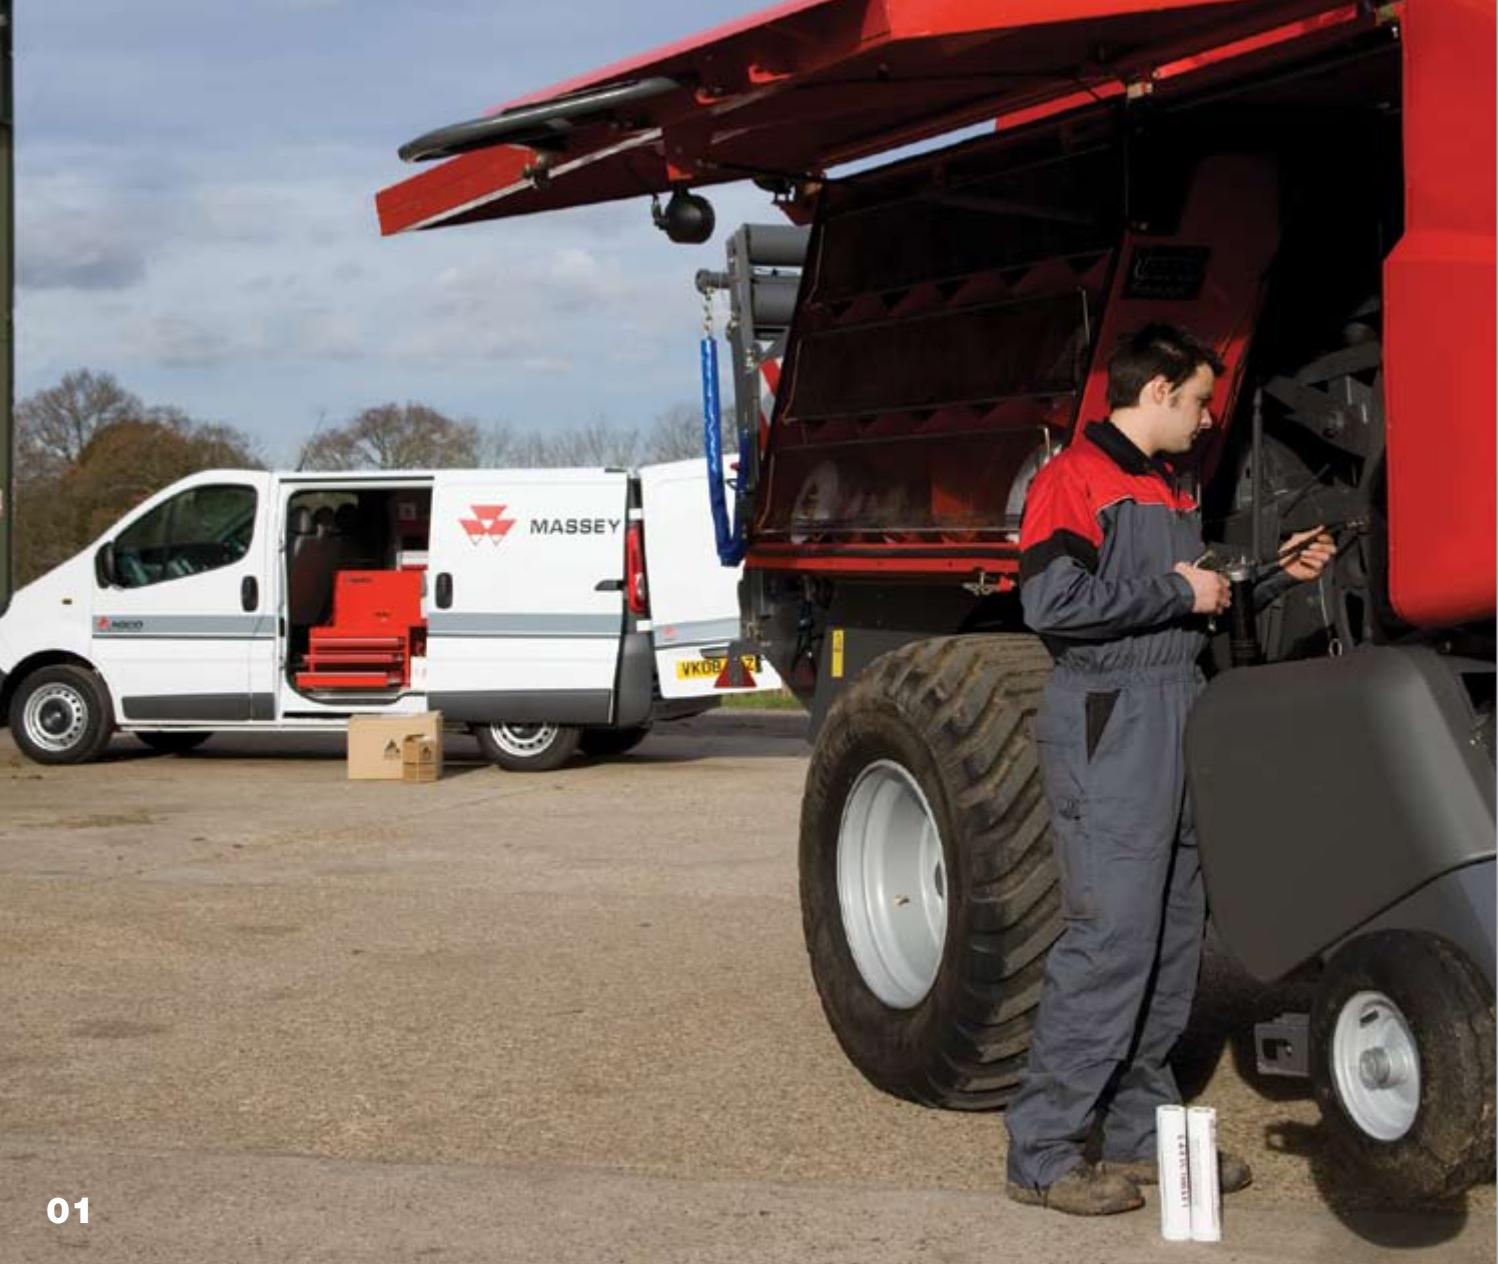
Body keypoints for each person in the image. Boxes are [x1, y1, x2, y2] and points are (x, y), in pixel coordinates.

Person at [1004, 323, 1335, 1216]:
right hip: (1112, 717)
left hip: (1177, 709)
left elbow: (1190, 602)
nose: (1205, 418)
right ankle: (1042, 1151)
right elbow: (1052, 602)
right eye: (1196, 400)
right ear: (1156, 392)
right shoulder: (1073, 480)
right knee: (1110, 941)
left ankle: (1139, 1131)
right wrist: (1177, 591)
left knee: (1171, 940)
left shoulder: (1166, 484)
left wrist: (1272, 577)